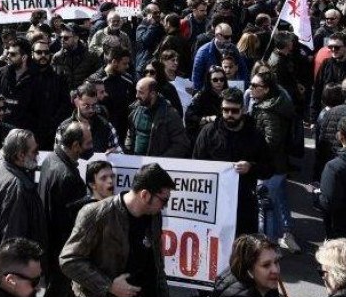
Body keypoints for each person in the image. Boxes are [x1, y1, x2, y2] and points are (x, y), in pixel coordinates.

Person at [60, 162, 175, 297]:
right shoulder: (97, 214)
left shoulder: (154, 217)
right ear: (145, 195)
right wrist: (109, 286)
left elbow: (156, 270)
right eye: (164, 200)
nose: (164, 206)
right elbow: (68, 260)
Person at [193, 88, 271, 235]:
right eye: (225, 110)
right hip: (214, 203)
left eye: (234, 111)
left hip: (244, 205)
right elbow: (197, 164)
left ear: (243, 109)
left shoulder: (254, 135)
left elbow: (268, 168)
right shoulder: (208, 133)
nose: (229, 115)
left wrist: (251, 167)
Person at [37, 121, 91, 297]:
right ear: (75, 145)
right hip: (62, 251)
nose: (91, 148)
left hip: (50, 245)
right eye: (88, 144)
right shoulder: (67, 176)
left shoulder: (51, 159)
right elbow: (73, 222)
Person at [0, 128, 47, 268]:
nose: (38, 154)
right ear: (21, 155)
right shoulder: (17, 187)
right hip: (11, 270)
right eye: (34, 151)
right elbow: (14, 239)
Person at [248, 70, 298, 253]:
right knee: (276, 204)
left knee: (265, 206)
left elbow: (271, 140)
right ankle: (276, 240)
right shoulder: (274, 104)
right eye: (251, 84)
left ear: (266, 89)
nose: (250, 88)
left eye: (255, 86)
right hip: (278, 165)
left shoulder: (268, 111)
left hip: (270, 167)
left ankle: (267, 247)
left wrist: (254, 148)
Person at [207, 234, 284, 297]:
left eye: (276, 261)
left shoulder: (266, 284)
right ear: (249, 271)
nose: (275, 270)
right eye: (266, 265)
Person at [124, 76, 189, 157]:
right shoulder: (135, 110)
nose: (137, 96)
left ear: (153, 94)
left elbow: (181, 144)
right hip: (135, 164)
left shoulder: (170, 115)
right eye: (136, 91)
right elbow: (130, 135)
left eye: (141, 92)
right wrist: (128, 155)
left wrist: (160, 161)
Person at [55, 80, 119, 157]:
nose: (91, 110)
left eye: (94, 105)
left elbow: (119, 151)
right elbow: (57, 155)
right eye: (86, 106)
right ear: (77, 101)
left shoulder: (106, 126)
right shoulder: (64, 127)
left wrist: (116, 153)